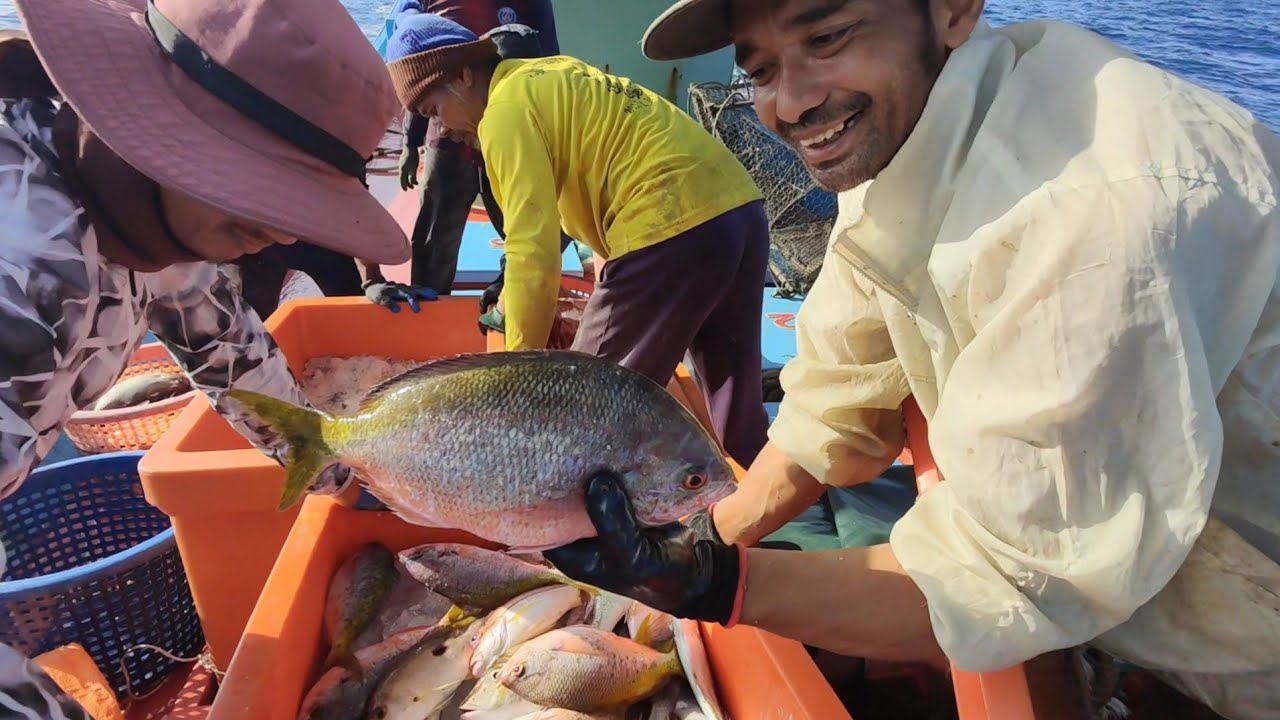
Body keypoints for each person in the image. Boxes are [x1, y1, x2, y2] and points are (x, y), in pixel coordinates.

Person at [540, 1, 1280, 719]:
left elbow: (1003, 583)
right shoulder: (902, 143)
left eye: (827, 35)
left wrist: (717, 584)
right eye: (761, 69)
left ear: (954, 8)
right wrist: (703, 540)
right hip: (1152, 600)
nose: (788, 103)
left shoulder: (1089, 218)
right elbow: (832, 404)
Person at [0, 0, 409, 708]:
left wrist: (356, 477)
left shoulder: (138, 205)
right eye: (256, 190)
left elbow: (232, 351)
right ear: (158, 126)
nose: (282, 233)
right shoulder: (29, 275)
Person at [383, 13, 773, 468]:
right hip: (739, 211)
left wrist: (518, 369)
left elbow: (532, 247)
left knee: (581, 406)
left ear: (464, 75)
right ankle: (770, 513)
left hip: (667, 226)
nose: (442, 127)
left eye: (434, 111)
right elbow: (602, 168)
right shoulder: (553, 74)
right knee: (734, 394)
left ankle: (592, 534)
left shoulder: (503, 114)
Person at [373, 0, 572, 303]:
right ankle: (429, 309)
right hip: (447, 132)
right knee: (437, 232)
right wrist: (411, 143)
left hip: (507, 123)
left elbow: (548, 56)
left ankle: (511, 293)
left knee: (522, 219)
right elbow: (414, 68)